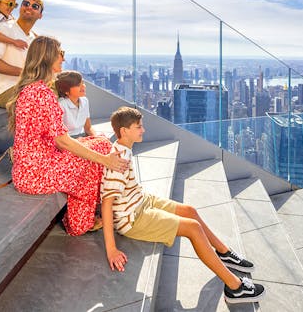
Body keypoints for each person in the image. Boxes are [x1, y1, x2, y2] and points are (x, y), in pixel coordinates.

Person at [100, 107, 265, 304]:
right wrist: (111, 248)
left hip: (141, 200)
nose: (143, 130)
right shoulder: (118, 161)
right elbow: (107, 203)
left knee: (190, 211)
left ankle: (224, 253)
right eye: (138, 127)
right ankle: (235, 288)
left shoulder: (124, 148)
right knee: (193, 228)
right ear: (124, 131)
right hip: (133, 219)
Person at [6, 36, 130, 236]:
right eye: (60, 53)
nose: (63, 58)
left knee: (99, 143)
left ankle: (93, 210)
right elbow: (62, 140)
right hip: (37, 173)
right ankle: (82, 220)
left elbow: (56, 138)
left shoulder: (34, 89)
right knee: (100, 151)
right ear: (47, 58)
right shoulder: (41, 93)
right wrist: (105, 160)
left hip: (34, 166)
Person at [0, 0, 44, 108]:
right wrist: (25, 73)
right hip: (5, 90)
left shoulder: (33, 38)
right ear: (20, 8)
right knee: (43, 98)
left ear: (40, 15)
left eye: (35, 6)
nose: (29, 7)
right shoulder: (3, 29)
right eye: (26, 4)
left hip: (29, 86)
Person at [55, 71, 96, 138]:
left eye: (83, 83)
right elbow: (59, 136)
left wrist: (97, 138)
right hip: (68, 140)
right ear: (66, 91)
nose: (83, 86)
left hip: (82, 137)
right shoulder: (60, 105)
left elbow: (88, 128)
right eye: (78, 85)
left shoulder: (85, 101)